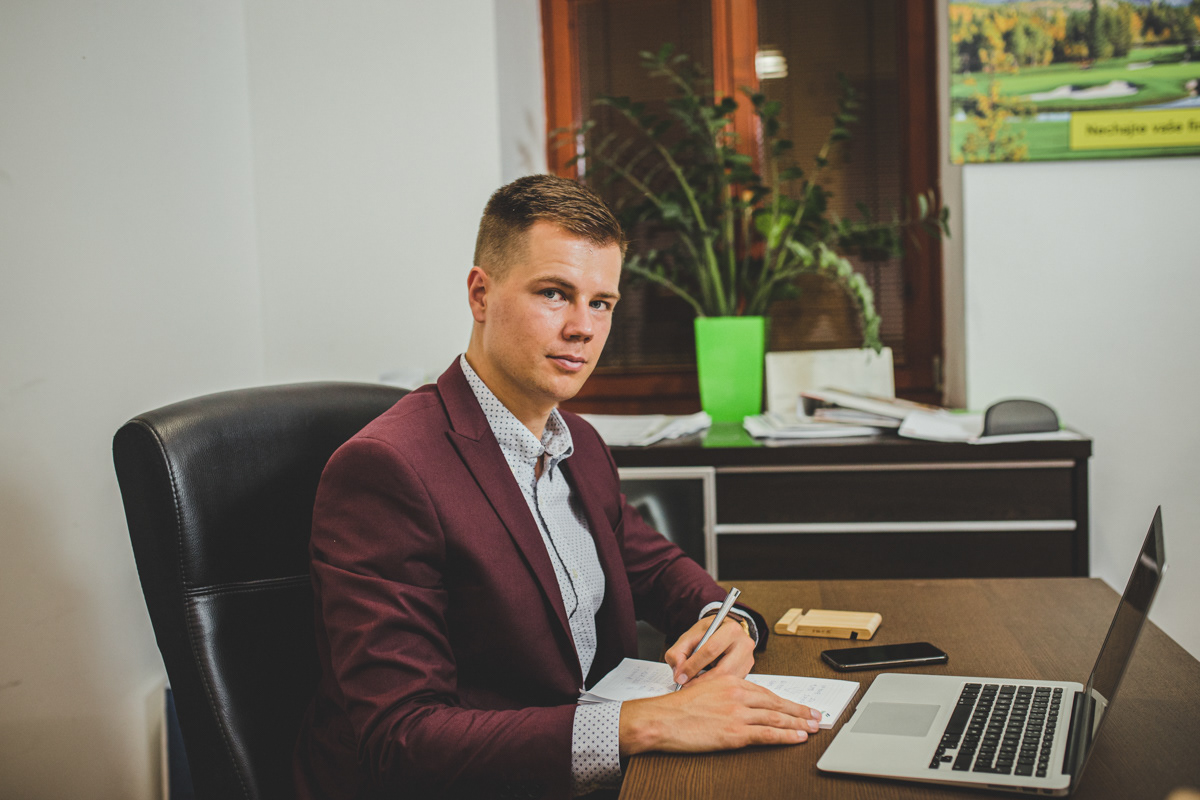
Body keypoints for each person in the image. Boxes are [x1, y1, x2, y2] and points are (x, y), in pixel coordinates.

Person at [293, 175, 822, 800]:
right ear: (481, 294)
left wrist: (724, 622)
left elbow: (653, 568)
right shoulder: (387, 469)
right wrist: (643, 724)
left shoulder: (580, 444)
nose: (583, 328)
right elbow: (400, 739)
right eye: (555, 294)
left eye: (601, 303)